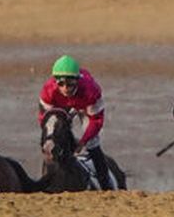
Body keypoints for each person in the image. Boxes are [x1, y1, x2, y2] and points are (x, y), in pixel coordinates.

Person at [38, 55, 116, 189]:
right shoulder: (48, 91)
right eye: (61, 84)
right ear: (55, 82)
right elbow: (44, 120)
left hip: (85, 104)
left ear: (78, 81)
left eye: (70, 84)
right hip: (60, 106)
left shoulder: (91, 90)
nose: (66, 88)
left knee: (92, 143)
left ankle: (105, 183)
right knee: (51, 142)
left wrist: (83, 141)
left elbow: (96, 121)